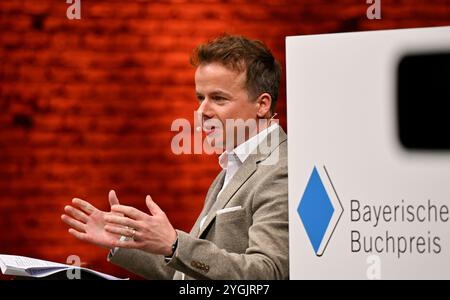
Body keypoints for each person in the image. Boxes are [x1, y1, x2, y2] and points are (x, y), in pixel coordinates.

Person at [61, 35, 288, 280]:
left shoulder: (280, 169)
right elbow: (186, 275)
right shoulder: (233, 166)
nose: (202, 112)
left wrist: (174, 244)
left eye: (218, 98)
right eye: (200, 98)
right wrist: (123, 240)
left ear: (262, 105)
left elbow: (267, 274)